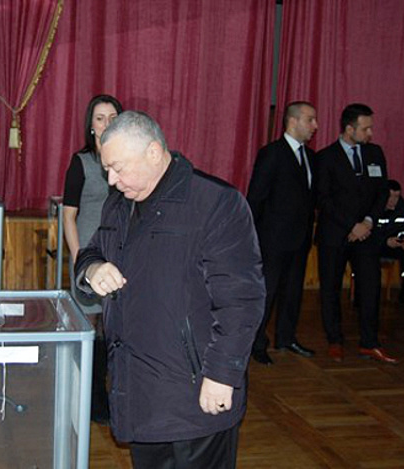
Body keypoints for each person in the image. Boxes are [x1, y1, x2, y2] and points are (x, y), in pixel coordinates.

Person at [75, 111, 265, 469]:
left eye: (118, 168)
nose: (112, 180)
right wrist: (93, 269)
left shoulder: (215, 202)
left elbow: (241, 300)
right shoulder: (119, 202)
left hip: (195, 394)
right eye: (107, 169)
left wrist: (222, 374)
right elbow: (91, 251)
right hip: (138, 392)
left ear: (152, 152)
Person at [316, 103, 397, 364]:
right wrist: (351, 225)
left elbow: (382, 192)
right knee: (330, 289)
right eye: (365, 128)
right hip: (336, 234)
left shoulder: (375, 153)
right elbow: (323, 199)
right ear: (349, 129)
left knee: (370, 287)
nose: (370, 133)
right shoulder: (326, 157)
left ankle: (369, 342)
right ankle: (335, 340)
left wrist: (368, 222)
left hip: (367, 235)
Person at [62, 94, 123, 423]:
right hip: (89, 254)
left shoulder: (128, 160)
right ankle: (91, 399)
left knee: (114, 330)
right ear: (91, 125)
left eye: (113, 117)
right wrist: (78, 258)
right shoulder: (81, 162)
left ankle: (112, 395)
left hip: (120, 255)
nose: (106, 123)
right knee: (91, 330)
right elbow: (68, 216)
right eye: (100, 118)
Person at [247, 101, 318, 365]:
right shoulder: (272, 154)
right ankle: (256, 343)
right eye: (310, 120)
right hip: (273, 240)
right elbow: (256, 198)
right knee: (266, 293)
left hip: (299, 239)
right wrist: (252, 239)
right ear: (293, 121)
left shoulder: (310, 157)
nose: (315, 126)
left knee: (293, 292)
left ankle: (286, 337)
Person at [375, 179, 404, 307]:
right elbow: (369, 233)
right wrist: (385, 242)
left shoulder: (402, 207)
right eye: (390, 196)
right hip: (375, 245)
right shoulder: (373, 206)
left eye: (396, 196)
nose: (393, 200)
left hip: (394, 244)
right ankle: (366, 294)